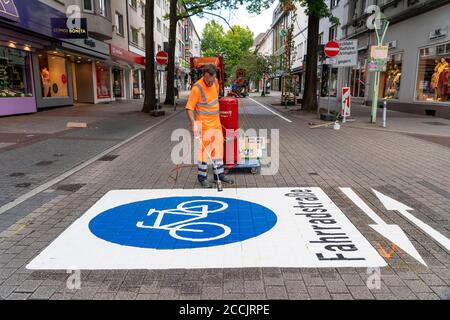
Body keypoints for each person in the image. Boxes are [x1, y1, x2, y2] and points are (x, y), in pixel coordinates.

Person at [185, 64, 234, 188]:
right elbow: (189, 108)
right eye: (207, 80)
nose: (210, 82)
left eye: (212, 80)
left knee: (218, 152)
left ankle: (219, 175)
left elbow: (214, 100)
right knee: (203, 154)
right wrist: (194, 125)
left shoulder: (216, 82)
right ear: (203, 76)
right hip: (204, 126)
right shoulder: (197, 88)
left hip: (216, 125)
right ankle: (202, 178)